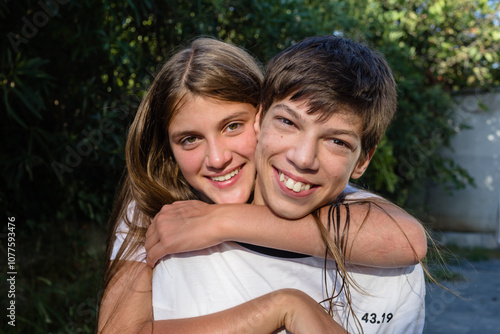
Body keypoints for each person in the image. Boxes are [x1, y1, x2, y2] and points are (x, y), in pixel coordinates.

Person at [98, 37, 426, 333]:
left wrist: (221, 221)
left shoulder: (353, 215)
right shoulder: (155, 212)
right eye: (190, 139)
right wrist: (281, 307)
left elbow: (408, 240)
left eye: (232, 126)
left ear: (258, 117)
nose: (216, 158)